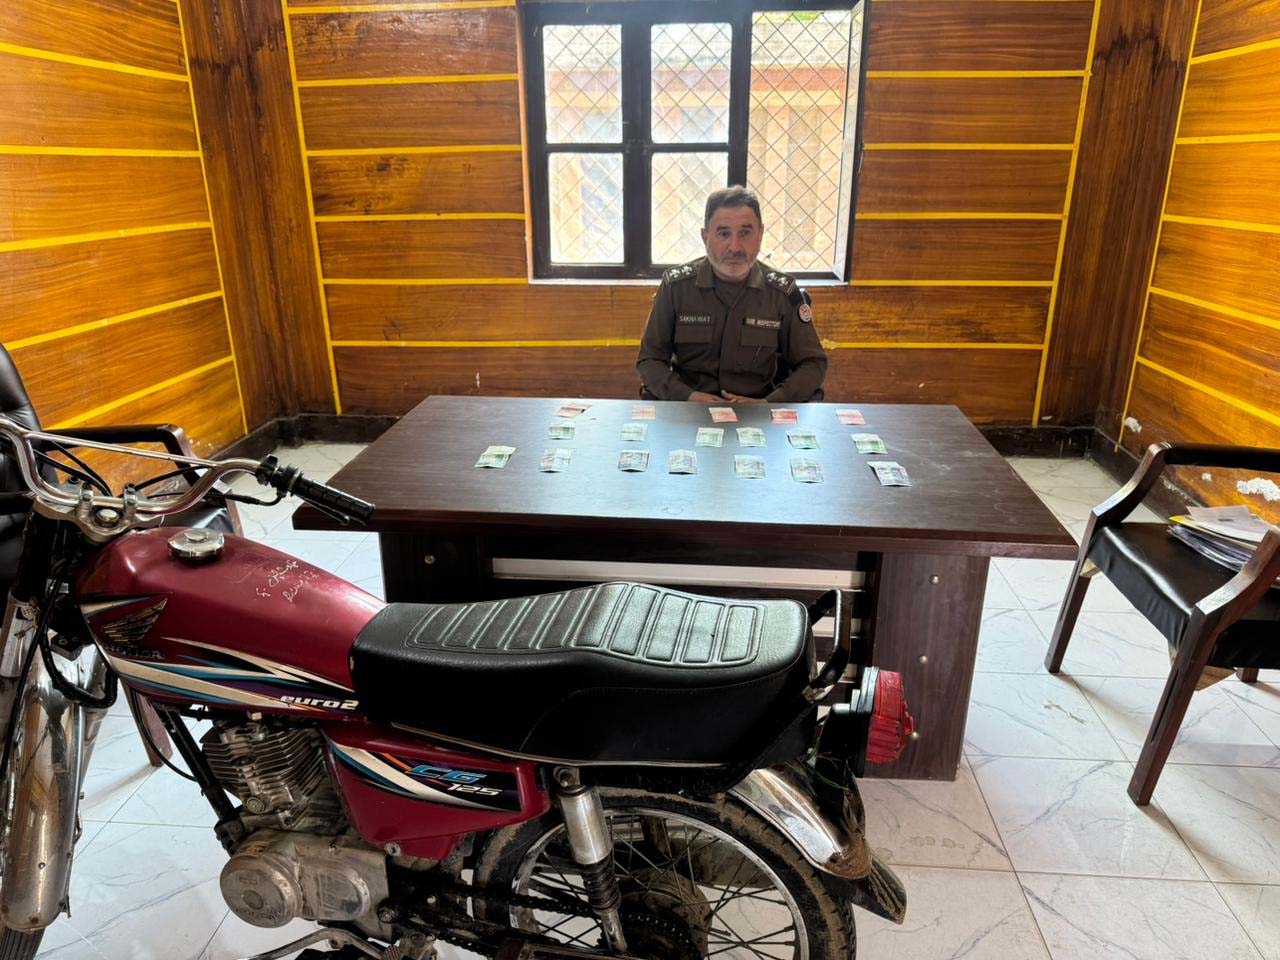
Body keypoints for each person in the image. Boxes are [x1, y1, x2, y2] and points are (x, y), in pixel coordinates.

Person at [636, 185, 827, 403]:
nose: (735, 247)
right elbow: (649, 360)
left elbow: (813, 364)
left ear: (760, 234)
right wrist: (687, 397)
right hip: (689, 410)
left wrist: (769, 403)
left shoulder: (782, 293)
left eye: (745, 233)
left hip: (757, 411)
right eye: (723, 233)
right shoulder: (676, 287)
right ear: (705, 237)